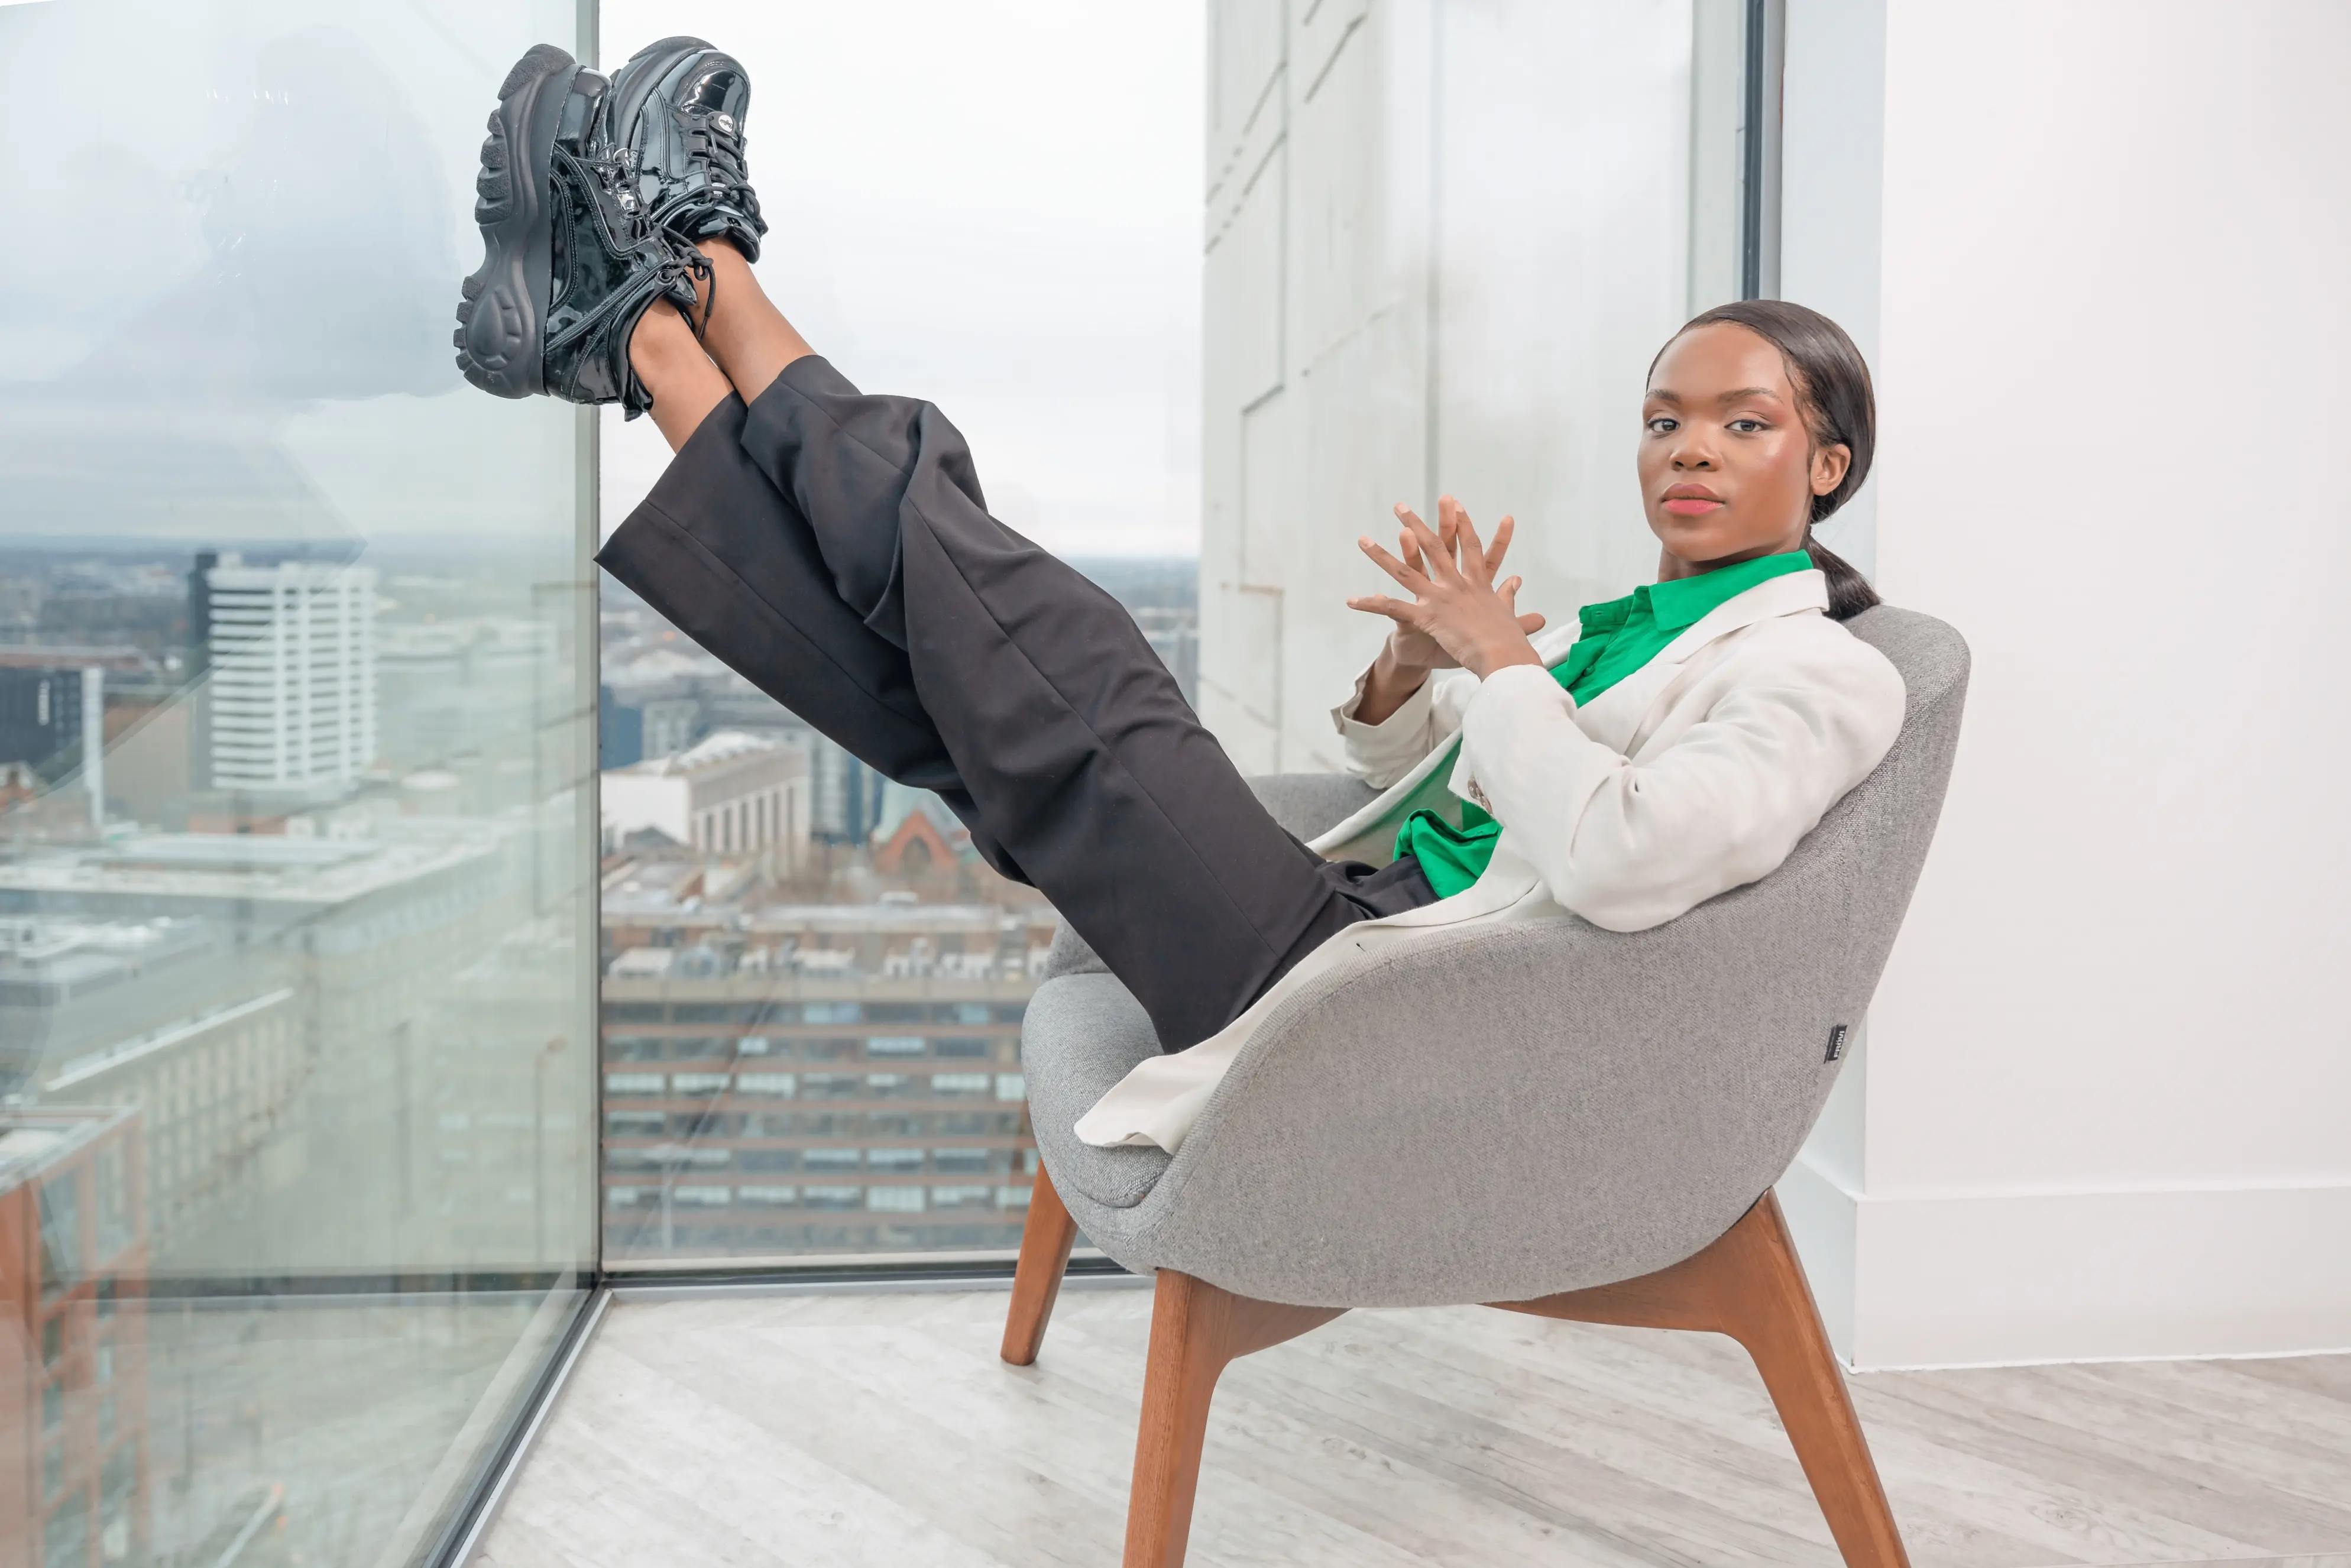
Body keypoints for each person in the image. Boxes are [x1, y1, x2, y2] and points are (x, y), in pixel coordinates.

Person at [456, 40, 1905, 1146]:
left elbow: (1619, 861)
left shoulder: (1833, 676)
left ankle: (698, 263)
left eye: (1743, 422)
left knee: (1065, 653)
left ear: (1826, 461)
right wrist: (1412, 688)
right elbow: (1471, 809)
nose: (1690, 449)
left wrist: (1502, 663)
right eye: (1664, 420)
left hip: (1365, 997)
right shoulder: (1646, 629)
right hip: (1357, 919)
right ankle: (637, 334)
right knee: (946, 701)